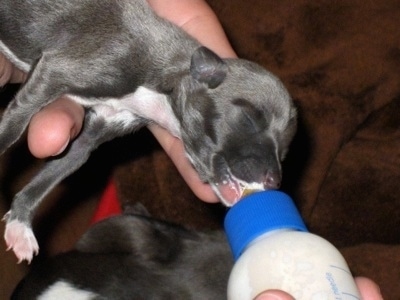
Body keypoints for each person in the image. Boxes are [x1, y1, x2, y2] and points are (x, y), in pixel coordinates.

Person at [0, 1, 384, 299]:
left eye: (278, 152)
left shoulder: (138, 106)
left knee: (73, 141)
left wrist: (24, 209)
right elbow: (52, 70)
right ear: (204, 73)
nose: (272, 171)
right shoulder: (128, 53)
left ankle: (21, 207)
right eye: (250, 122)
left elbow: (82, 145)